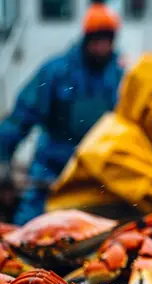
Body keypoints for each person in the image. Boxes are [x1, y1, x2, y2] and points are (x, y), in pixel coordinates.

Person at [46, 53, 152, 235]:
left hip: (118, 231)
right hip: (71, 232)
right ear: (148, 99)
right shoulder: (112, 137)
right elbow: (147, 183)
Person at [0, 1, 124, 225]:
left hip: (97, 181)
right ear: (86, 39)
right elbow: (21, 118)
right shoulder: (56, 71)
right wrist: (2, 158)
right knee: (25, 230)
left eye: (106, 40)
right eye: (96, 40)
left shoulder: (121, 76)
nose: (101, 47)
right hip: (50, 175)